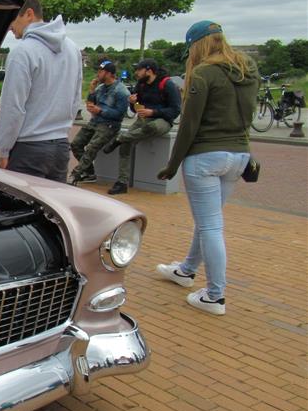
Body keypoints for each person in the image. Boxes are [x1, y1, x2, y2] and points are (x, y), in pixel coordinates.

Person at [155, 20, 260, 316]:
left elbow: (189, 125)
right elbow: (248, 114)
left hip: (205, 157)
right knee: (208, 222)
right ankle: (186, 270)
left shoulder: (203, 73)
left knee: (211, 226)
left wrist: (172, 165)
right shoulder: (248, 68)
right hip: (238, 156)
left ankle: (215, 296)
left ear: (197, 45)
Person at [0, 0, 82, 182]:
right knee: (52, 202)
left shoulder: (22, 52)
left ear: (29, 14)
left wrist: (4, 149)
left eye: (12, 18)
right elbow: (75, 100)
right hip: (60, 148)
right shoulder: (72, 49)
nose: (9, 26)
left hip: (28, 149)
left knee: (18, 202)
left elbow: (13, 107)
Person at [102, 58, 182, 194]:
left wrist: (153, 112)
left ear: (149, 71)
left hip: (162, 121)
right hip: (143, 119)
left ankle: (119, 138)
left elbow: (175, 110)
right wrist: (133, 103)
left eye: (139, 70)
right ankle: (122, 183)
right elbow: (135, 110)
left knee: (151, 127)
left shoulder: (168, 84)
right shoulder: (141, 84)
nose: (136, 73)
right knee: (126, 145)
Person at [69, 61, 129, 184]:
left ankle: (75, 174)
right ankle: (90, 173)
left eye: (101, 71)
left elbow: (120, 114)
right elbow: (92, 102)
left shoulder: (121, 91)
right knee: (76, 144)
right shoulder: (100, 88)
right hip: (95, 121)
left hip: (109, 125)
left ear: (109, 73)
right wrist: (91, 91)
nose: (98, 74)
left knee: (92, 147)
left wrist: (101, 111)